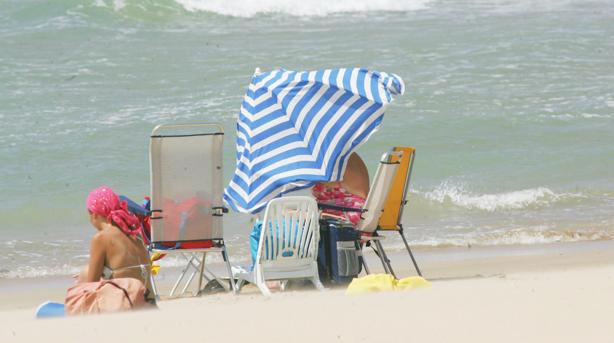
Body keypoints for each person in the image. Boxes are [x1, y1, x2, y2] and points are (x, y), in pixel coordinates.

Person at [78, 186, 155, 304]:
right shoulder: (136, 234)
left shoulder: (101, 238)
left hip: (124, 304)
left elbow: (91, 284)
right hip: (148, 302)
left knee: (84, 273)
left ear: (94, 214)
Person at [312, 152, 370, 225]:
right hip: (362, 209)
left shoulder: (331, 159)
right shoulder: (347, 153)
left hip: (349, 212)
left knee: (299, 215)